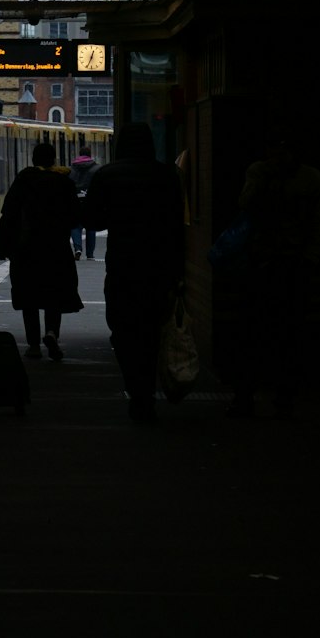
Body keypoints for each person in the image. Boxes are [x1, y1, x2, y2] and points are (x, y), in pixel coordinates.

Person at [81, 121, 185, 422]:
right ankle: (147, 392)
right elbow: (177, 225)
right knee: (152, 330)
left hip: (123, 263)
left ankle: (135, 389)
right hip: (159, 265)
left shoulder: (108, 175)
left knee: (124, 329)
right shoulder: (166, 175)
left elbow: (91, 219)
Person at [227, 131, 320, 418]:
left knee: (272, 331)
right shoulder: (273, 175)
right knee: (270, 331)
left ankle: (260, 394)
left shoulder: (302, 179)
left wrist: (307, 259)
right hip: (272, 262)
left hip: (282, 262)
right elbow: (246, 203)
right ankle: (262, 394)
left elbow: (319, 223)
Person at [0, 141, 82, 360]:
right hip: (56, 248)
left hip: (27, 249)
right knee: (55, 294)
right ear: (53, 159)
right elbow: (74, 217)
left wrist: (3, 245)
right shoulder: (64, 182)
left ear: (33, 159)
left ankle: (33, 344)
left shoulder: (24, 180)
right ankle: (52, 332)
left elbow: (9, 214)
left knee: (29, 296)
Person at [68, 146, 100, 260]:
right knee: (91, 227)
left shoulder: (71, 169)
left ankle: (77, 248)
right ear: (90, 155)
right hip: (90, 200)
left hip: (75, 200)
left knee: (75, 225)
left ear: (79, 154)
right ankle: (90, 254)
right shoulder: (96, 169)